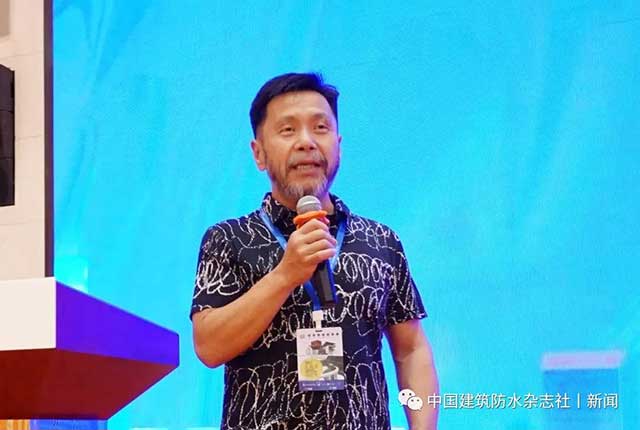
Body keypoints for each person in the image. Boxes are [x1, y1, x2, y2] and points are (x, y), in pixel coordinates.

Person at [191, 72, 439, 430]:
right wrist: (285, 275)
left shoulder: (380, 241)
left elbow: (411, 349)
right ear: (259, 153)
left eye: (320, 128)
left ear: (338, 144)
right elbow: (209, 346)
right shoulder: (228, 239)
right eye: (288, 130)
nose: (306, 142)